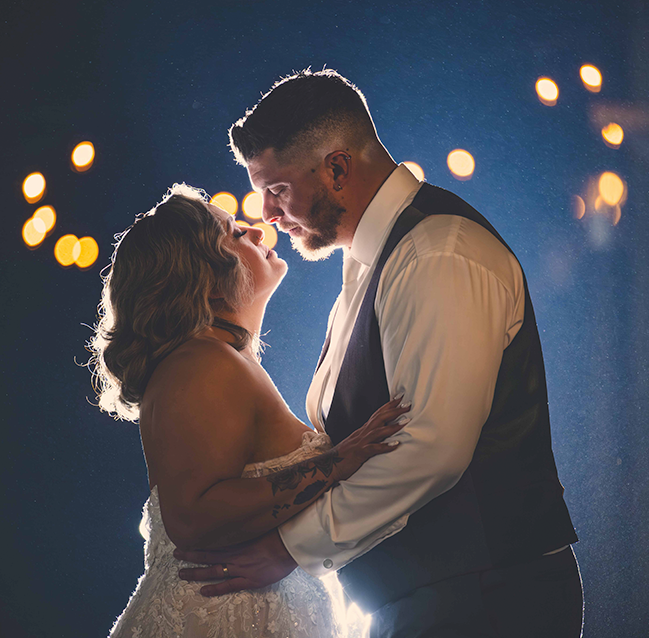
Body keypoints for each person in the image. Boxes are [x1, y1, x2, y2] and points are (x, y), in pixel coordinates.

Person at [174, 69, 583, 637]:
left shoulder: (439, 254)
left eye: (278, 189)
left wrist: (289, 548)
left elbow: (430, 448)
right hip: (426, 599)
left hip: (484, 598)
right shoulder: (372, 263)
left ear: (337, 167)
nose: (266, 212)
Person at [90, 183, 412, 638]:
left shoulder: (212, 361)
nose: (260, 234)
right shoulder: (202, 362)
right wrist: (336, 463)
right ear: (206, 277)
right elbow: (193, 517)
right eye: (237, 234)